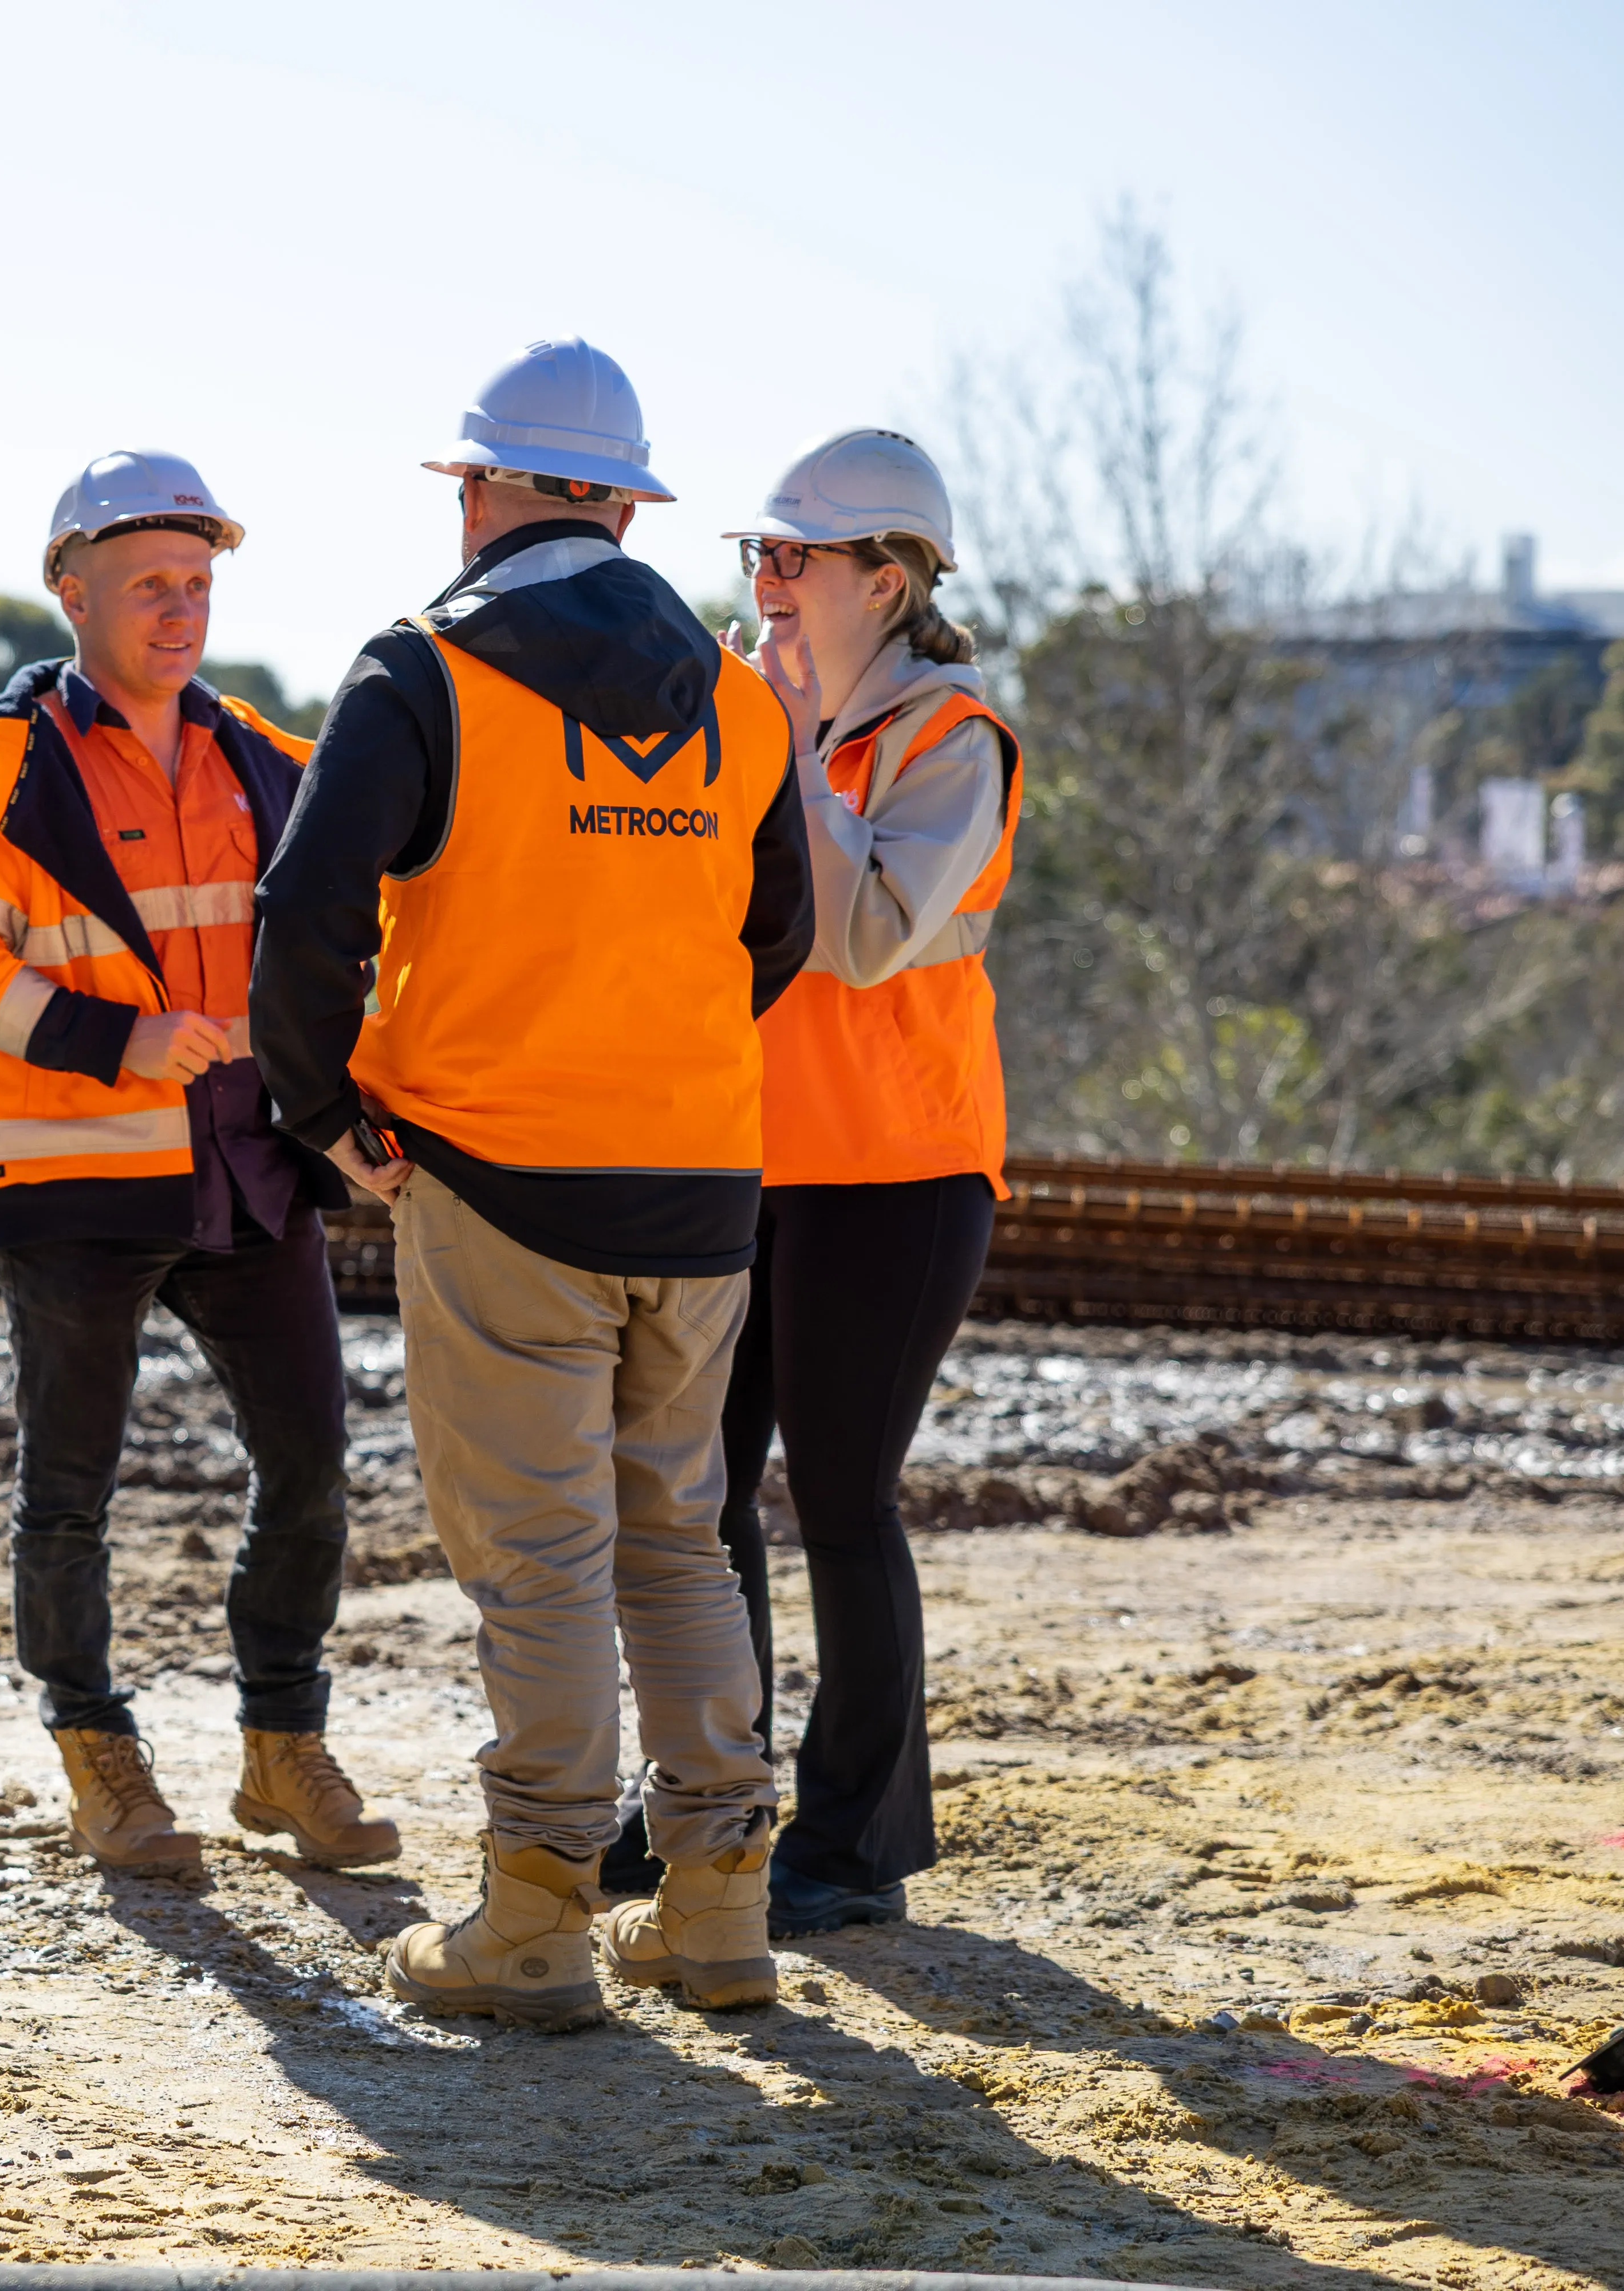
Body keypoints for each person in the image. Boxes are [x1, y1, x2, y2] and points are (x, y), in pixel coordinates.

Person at [253, 341, 813, 2026]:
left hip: (500, 1178)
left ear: (478, 488)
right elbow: (773, 939)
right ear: (628, 502)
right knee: (681, 1543)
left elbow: (306, 923)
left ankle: (536, 1920)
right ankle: (718, 1909)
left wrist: (321, 1112)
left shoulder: (421, 669)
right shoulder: (736, 699)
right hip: (704, 1184)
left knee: (544, 1562)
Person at [0, 449, 392, 1879]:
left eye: (198, 582)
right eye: (148, 586)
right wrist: (116, 1039)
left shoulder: (267, 758)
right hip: (73, 1182)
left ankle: (280, 1747)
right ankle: (97, 1752)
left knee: (308, 1462)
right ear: (71, 590)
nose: (181, 610)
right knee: (70, 1485)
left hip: (246, 1167)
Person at [671, 427, 1016, 1938]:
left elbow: (864, 934)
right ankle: (716, 1807)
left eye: (793, 558)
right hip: (744, 1164)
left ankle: (855, 1847)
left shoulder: (956, 744)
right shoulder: (765, 728)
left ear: (889, 579)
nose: (767, 584)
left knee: (841, 1499)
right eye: (759, 555)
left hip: (899, 1173)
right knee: (700, 1495)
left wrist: (797, 751)